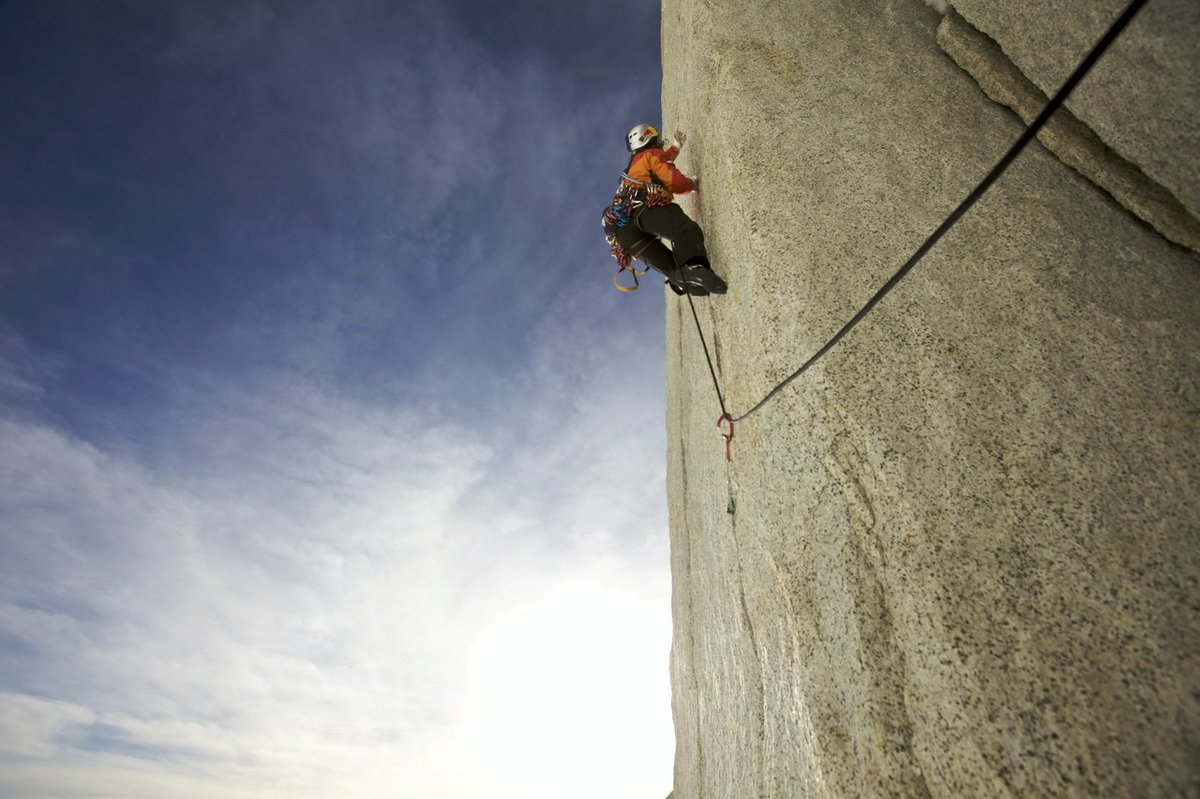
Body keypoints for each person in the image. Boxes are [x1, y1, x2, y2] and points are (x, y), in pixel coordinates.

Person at [603, 124, 727, 296]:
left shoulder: (631, 171)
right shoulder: (651, 155)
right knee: (684, 229)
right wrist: (692, 184)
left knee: (674, 269)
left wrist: (675, 148)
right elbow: (674, 181)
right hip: (644, 210)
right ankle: (695, 267)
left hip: (625, 235)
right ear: (648, 137)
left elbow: (661, 161)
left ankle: (682, 280)